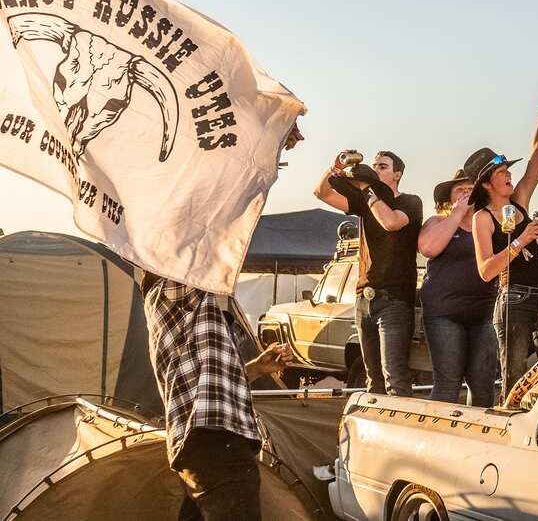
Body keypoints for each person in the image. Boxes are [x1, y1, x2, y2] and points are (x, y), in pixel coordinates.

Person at [140, 122, 301, 521]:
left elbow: (206, 378)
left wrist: (256, 368)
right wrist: (266, 142)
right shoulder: (176, 286)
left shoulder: (192, 301)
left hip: (206, 442)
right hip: (214, 442)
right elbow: (214, 212)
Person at [471, 69, 538, 395]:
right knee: (515, 378)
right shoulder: (483, 217)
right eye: (501, 172)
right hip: (515, 298)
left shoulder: (519, 200)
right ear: (486, 183)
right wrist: (522, 240)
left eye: (509, 170)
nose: (509, 175)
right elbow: (486, 271)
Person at [314, 149, 423, 395]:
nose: (375, 170)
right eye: (373, 166)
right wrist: (336, 168)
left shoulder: (410, 202)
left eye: (382, 167)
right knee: (372, 379)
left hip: (394, 300)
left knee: (394, 377)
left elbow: (390, 222)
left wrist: (366, 186)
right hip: (364, 300)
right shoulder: (365, 200)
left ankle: (398, 430)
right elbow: (320, 193)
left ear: (398, 174)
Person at [417, 168, 498, 406]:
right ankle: (437, 438)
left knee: (483, 384)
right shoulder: (438, 221)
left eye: (470, 190)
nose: (465, 194)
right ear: (450, 198)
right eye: (459, 190)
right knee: (448, 383)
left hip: (482, 313)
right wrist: (456, 214)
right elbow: (428, 248)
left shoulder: (487, 222)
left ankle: (479, 437)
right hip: (444, 314)